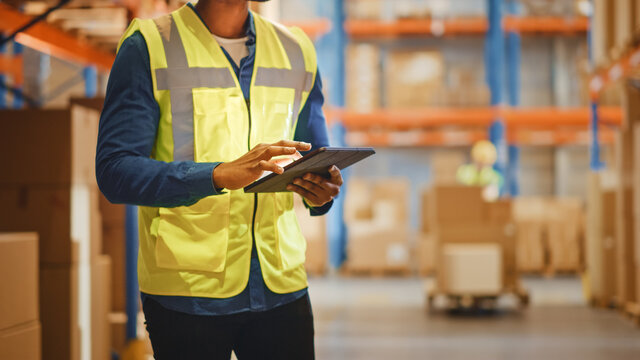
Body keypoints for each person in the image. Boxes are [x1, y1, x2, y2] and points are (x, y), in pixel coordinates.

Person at [95, 1, 342, 359]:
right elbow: (115, 172)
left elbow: (314, 156)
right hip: (187, 292)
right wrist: (216, 175)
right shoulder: (148, 45)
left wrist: (322, 193)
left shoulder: (296, 50)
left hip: (281, 285)